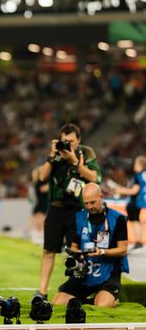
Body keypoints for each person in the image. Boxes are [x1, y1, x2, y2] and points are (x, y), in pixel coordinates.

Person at [35, 123, 101, 300]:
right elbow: (41, 177)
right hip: (56, 208)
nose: (68, 145)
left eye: (71, 141)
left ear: (78, 140)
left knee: (78, 252)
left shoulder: (86, 153)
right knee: (48, 250)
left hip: (78, 210)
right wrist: (52, 155)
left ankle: (77, 291)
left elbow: (95, 178)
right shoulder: (56, 154)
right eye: (65, 141)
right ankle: (42, 292)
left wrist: (74, 161)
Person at [53, 183, 128, 307]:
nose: (89, 206)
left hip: (107, 274)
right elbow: (74, 246)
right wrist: (77, 255)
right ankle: (89, 300)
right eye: (86, 203)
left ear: (101, 196)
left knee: (102, 306)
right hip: (84, 273)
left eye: (92, 202)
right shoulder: (78, 218)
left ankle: (107, 299)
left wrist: (102, 252)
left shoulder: (117, 218)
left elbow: (123, 250)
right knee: (58, 302)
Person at [108, 155, 146, 250]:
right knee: (136, 221)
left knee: (136, 221)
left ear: (141, 165)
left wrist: (120, 190)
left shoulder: (138, 176)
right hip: (138, 201)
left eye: (136, 164)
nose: (134, 165)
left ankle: (138, 241)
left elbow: (134, 191)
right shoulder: (143, 175)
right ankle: (139, 241)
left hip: (135, 201)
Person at [29, 166, 49, 245]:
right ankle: (38, 234)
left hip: (42, 202)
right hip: (41, 202)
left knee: (40, 218)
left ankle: (38, 234)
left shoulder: (39, 182)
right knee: (40, 218)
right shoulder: (39, 182)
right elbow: (43, 189)